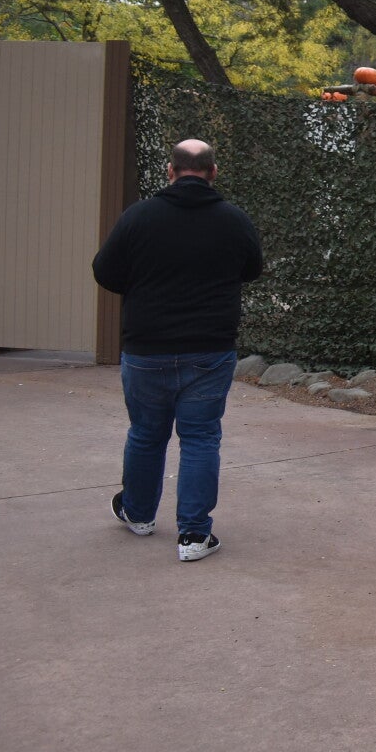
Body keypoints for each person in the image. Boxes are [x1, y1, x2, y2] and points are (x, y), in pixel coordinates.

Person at [93, 138, 263, 561]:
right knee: (201, 438)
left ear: (170, 171)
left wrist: (143, 284)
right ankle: (194, 536)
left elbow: (105, 271)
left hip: (146, 348)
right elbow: (252, 269)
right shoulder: (233, 220)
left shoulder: (138, 217)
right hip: (209, 350)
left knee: (146, 433)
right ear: (213, 172)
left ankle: (138, 514)